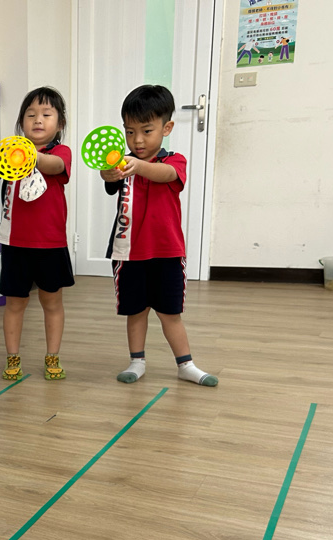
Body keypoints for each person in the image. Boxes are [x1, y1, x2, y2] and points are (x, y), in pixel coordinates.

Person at [101, 84, 217, 387]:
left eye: (146, 131)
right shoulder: (122, 164)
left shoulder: (174, 161)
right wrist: (108, 172)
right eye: (130, 132)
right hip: (128, 253)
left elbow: (165, 175)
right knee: (136, 311)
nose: (137, 140)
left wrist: (137, 166)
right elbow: (109, 181)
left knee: (170, 313)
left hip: (167, 252)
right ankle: (136, 361)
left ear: (167, 128)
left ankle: (186, 365)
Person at [0, 86, 73, 381]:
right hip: (14, 242)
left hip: (50, 244)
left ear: (59, 124)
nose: (37, 120)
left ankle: (52, 358)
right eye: (30, 115)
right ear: (22, 122)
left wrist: (26, 154)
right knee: (14, 303)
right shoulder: (10, 154)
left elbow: (55, 166)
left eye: (46, 114)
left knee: (52, 303)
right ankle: (12, 358)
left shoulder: (59, 152)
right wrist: (12, 153)